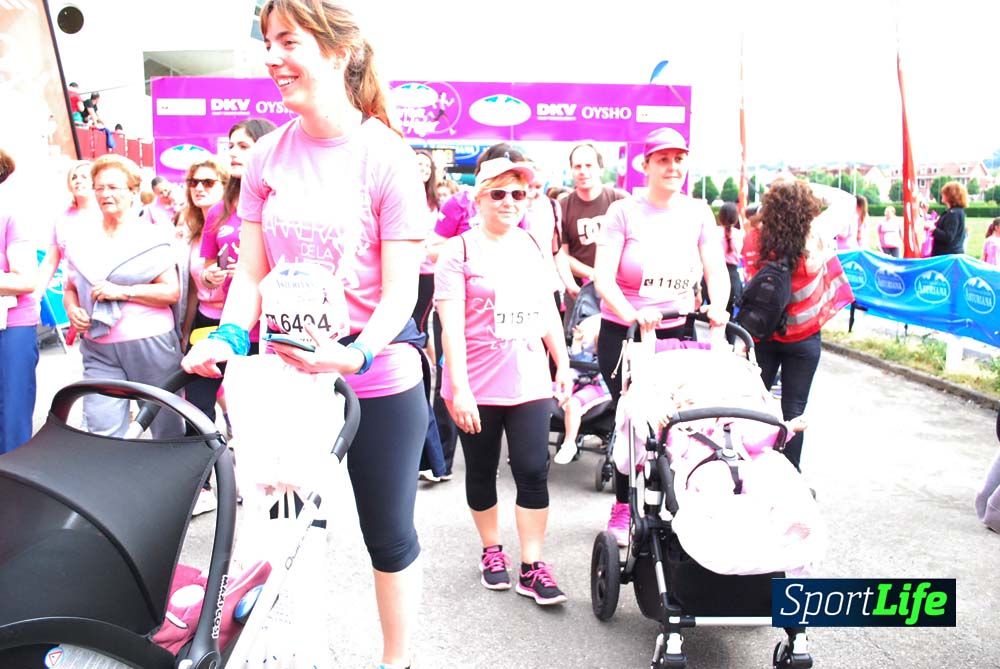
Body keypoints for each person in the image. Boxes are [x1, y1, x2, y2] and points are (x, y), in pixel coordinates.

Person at [181, 3, 428, 666]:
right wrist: (230, 336)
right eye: (267, 42)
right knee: (282, 535)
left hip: (374, 381)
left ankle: (395, 660)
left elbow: (402, 289)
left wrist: (354, 353)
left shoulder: (388, 157)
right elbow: (252, 273)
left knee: (389, 535)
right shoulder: (266, 156)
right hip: (286, 384)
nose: (272, 57)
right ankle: (286, 654)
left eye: (288, 41)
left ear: (341, 51)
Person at [435, 157, 572, 606]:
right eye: (498, 193)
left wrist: (563, 362)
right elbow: (450, 326)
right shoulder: (459, 251)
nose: (510, 201)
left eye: (518, 193)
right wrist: (461, 389)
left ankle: (532, 566)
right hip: (476, 380)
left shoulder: (531, 244)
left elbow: (547, 309)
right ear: (479, 198)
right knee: (481, 469)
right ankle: (491, 550)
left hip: (529, 377)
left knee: (534, 468)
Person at [593, 126, 730, 547]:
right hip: (626, 333)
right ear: (646, 165)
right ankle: (622, 503)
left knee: (678, 421)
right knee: (632, 419)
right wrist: (634, 314)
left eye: (679, 159)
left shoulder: (697, 213)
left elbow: (715, 270)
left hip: (679, 332)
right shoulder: (624, 213)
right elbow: (603, 278)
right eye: (663, 160)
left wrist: (720, 306)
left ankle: (677, 498)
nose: (673, 167)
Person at [62, 154, 183, 439]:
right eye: (100, 187)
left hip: (150, 344)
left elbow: (171, 291)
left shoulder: (152, 235)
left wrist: (124, 292)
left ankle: (174, 482)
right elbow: (70, 287)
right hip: (98, 346)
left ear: (132, 191)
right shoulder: (81, 237)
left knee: (166, 424)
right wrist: (72, 309)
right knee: (100, 425)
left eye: (114, 187)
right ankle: (110, 481)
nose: (105, 194)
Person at [742, 179, 855, 471]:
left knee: (755, 406)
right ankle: (790, 475)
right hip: (804, 336)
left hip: (763, 335)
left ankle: (751, 468)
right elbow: (846, 201)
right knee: (794, 409)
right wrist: (806, 187)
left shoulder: (754, 237)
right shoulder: (816, 235)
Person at [197, 118, 278, 433]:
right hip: (238, 328)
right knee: (250, 420)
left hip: (281, 329)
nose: (233, 153)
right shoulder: (218, 211)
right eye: (230, 146)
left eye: (244, 146)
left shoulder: (283, 203)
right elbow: (204, 269)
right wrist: (211, 276)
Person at [0, 149, 40, 455]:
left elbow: (25, 279)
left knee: (11, 420)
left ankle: (14, 495)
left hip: (11, 327)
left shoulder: (11, 214)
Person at [560, 143, 628, 305]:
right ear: (571, 171)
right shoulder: (561, 207)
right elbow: (562, 255)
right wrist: (595, 274)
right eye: (577, 166)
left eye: (589, 165)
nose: (583, 171)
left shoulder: (621, 201)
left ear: (600, 169)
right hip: (581, 293)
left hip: (621, 290)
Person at [37, 161, 100, 293]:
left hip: (103, 288)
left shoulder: (106, 213)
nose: (78, 181)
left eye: (84, 177)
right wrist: (35, 295)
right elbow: (51, 260)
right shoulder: (62, 218)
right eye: (74, 177)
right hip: (73, 293)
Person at [715, 201, 743, 315]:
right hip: (732, 277)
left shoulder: (713, 232)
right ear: (736, 218)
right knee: (729, 318)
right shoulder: (740, 234)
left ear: (720, 217)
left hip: (714, 276)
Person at [931, 181, 968, 256]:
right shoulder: (957, 212)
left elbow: (948, 236)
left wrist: (932, 229)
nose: (942, 195)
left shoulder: (953, 213)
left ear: (951, 195)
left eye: (944, 193)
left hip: (947, 256)